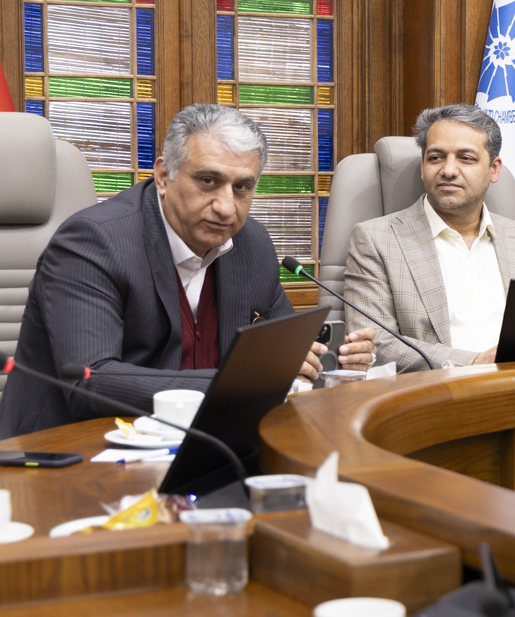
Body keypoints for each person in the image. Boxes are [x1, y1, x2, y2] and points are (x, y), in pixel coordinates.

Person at [0, 104, 376, 439]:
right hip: (68, 453)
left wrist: (332, 360)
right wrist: (240, 383)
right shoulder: (93, 241)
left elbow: (281, 358)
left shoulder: (252, 244)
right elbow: (91, 381)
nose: (226, 207)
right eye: (208, 181)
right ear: (164, 175)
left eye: (242, 187)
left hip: (204, 444)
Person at [343, 105, 515, 369]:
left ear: (494, 169)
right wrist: (474, 361)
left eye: (466, 158)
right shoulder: (375, 241)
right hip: (434, 391)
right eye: (436, 158)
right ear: (423, 167)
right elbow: (375, 345)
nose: (449, 170)